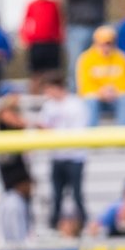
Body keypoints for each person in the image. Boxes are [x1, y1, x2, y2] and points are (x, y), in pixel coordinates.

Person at [38, 75, 89, 229]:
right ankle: (54, 224)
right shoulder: (48, 106)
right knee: (57, 194)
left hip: (75, 156)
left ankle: (83, 222)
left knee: (77, 193)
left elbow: (80, 129)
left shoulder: (76, 104)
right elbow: (43, 125)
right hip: (57, 156)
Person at [76, 25, 125, 126]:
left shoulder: (121, 57)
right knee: (90, 100)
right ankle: (91, 137)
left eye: (109, 43)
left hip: (115, 96)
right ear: (95, 42)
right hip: (96, 97)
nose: (106, 46)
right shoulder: (86, 58)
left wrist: (112, 91)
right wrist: (100, 92)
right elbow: (84, 85)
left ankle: (124, 136)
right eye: (102, 43)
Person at [62, 0, 109, 91]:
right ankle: (75, 96)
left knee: (103, 62)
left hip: (98, 26)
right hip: (77, 27)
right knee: (75, 65)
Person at [19, 0, 63, 80]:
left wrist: (59, 38)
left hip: (51, 42)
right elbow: (26, 22)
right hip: (36, 43)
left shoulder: (53, 4)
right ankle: (36, 93)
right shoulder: (32, 5)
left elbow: (58, 22)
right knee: (36, 72)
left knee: (52, 72)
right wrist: (25, 37)